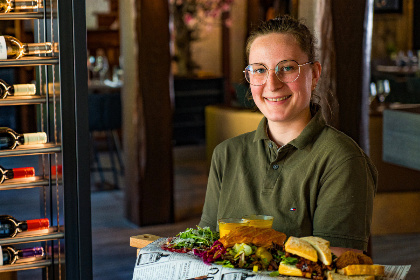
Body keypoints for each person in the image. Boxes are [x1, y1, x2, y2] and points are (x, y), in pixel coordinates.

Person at [198, 15, 377, 257]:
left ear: (314, 74)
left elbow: (335, 261)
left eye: (287, 68)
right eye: (260, 70)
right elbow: (206, 245)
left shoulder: (342, 159)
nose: (272, 84)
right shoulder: (226, 154)